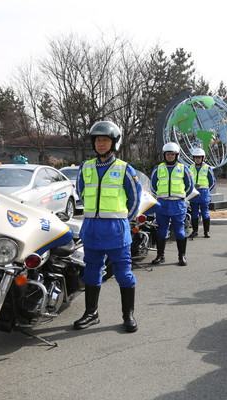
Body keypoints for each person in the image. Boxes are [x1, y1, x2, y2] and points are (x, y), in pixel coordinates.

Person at [74, 121, 142, 333]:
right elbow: (81, 192)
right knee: (91, 273)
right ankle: (91, 313)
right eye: (97, 140)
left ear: (114, 143)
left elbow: (135, 200)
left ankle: (127, 315)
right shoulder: (85, 168)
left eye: (105, 140)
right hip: (92, 229)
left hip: (116, 231)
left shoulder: (125, 169)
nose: (100, 144)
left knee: (124, 274)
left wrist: (122, 221)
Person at [150, 142, 194, 266]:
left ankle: (182, 256)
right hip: (162, 204)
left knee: (180, 231)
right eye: (167, 154)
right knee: (161, 231)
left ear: (177, 155)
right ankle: (160, 256)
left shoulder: (183, 168)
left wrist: (180, 196)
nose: (170, 156)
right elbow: (152, 186)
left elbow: (190, 186)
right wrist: (160, 197)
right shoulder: (157, 168)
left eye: (172, 154)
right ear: (164, 155)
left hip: (177, 204)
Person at [188, 148, 216, 239]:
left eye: (199, 157)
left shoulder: (208, 168)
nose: (197, 159)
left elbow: (212, 182)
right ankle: (195, 231)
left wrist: (207, 190)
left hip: (204, 194)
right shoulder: (189, 168)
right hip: (193, 194)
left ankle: (206, 231)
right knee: (194, 214)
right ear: (193, 158)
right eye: (196, 157)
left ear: (202, 158)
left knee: (205, 213)